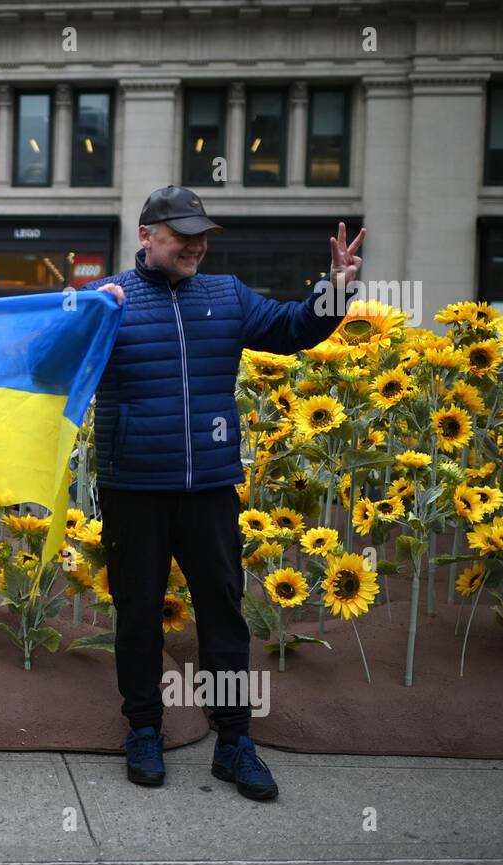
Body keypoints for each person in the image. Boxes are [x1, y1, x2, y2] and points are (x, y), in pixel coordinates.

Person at [86, 186, 365, 801]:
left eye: (202, 233)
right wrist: (78, 315)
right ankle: (144, 731)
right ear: (145, 235)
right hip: (134, 487)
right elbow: (45, 359)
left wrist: (337, 288)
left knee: (223, 620)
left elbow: (295, 329)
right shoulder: (107, 300)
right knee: (137, 617)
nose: (196, 243)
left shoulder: (228, 295)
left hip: (210, 488)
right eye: (182, 233)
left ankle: (235, 742)